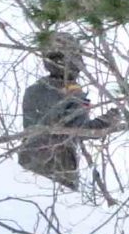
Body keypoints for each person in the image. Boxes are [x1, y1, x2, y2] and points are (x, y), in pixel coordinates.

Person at [17, 34, 119, 191]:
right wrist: (109, 119)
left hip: (26, 163)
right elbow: (82, 131)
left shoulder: (33, 90)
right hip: (58, 168)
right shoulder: (72, 93)